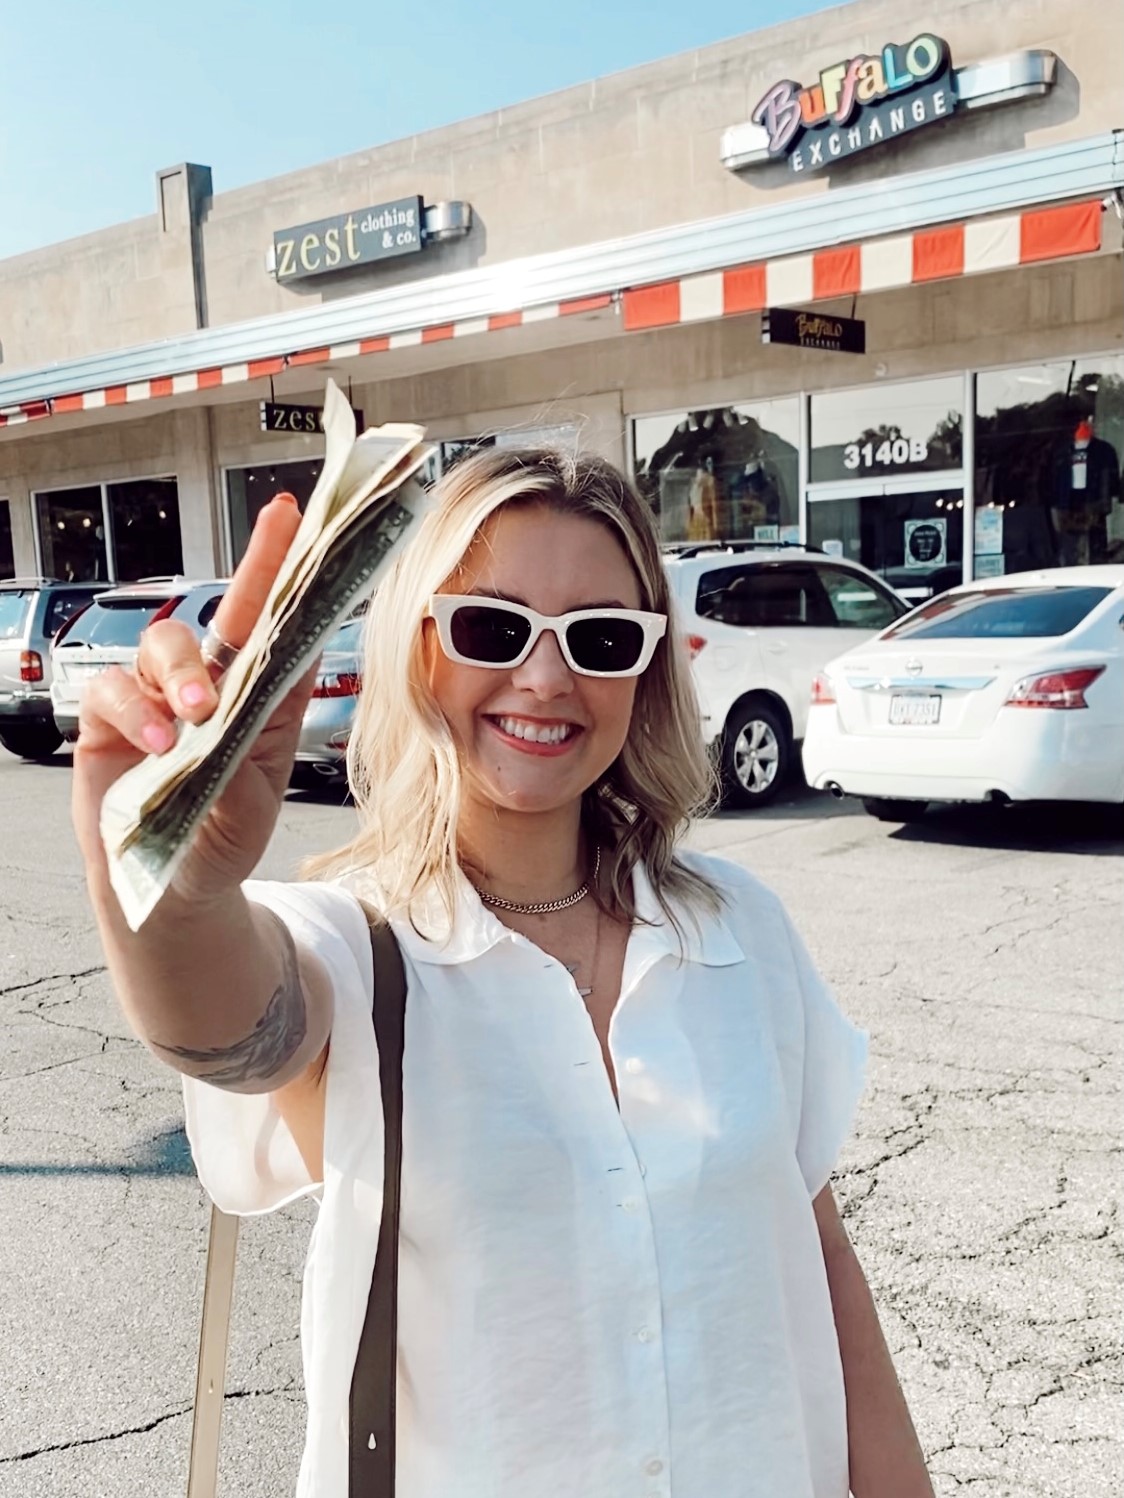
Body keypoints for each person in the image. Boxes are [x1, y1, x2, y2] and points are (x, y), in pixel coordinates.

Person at [72, 450, 934, 1498]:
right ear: (417, 645)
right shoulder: (358, 945)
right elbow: (224, 1022)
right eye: (492, 626)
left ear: (643, 671)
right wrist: (173, 887)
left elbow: (821, 1268)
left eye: (600, 638)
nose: (544, 677)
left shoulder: (738, 929)